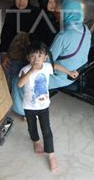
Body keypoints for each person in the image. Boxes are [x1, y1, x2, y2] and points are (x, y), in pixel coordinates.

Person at [17, 42, 58, 172]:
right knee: (32, 127)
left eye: (39, 56)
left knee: (47, 129)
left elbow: (55, 65)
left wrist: (70, 72)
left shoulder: (46, 66)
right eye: (33, 56)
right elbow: (20, 84)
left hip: (44, 105)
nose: (36, 59)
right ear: (28, 58)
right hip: (29, 106)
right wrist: (31, 71)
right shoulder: (24, 69)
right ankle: (36, 141)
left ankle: (51, 155)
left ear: (45, 57)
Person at [0, 0, 39, 82]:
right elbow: (5, 34)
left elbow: (39, 39)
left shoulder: (36, 13)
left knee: (14, 74)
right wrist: (3, 53)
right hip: (13, 51)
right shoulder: (11, 12)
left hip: (28, 54)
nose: (21, 1)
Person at [49, 0, 91, 90]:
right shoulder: (86, 29)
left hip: (64, 77)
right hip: (80, 71)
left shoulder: (63, 36)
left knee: (24, 79)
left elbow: (48, 60)